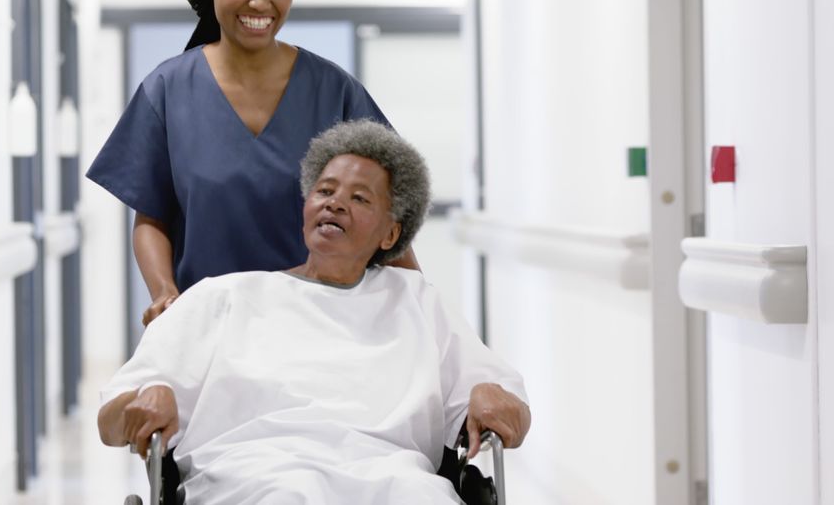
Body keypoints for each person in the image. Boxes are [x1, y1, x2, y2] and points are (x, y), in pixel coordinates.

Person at [97, 121, 531, 504]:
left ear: (391, 233)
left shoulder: (415, 300)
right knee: (291, 493)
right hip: (251, 476)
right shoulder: (220, 298)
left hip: (393, 477)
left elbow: (509, 411)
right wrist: (141, 402)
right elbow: (113, 417)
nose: (335, 203)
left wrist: (494, 397)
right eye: (324, 191)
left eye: (359, 199)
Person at [86, 0, 416, 326]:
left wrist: (420, 309)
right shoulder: (168, 90)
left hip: (321, 322)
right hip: (207, 325)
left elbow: (385, 209)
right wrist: (164, 292)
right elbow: (151, 219)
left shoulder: (333, 91)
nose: (261, 3)